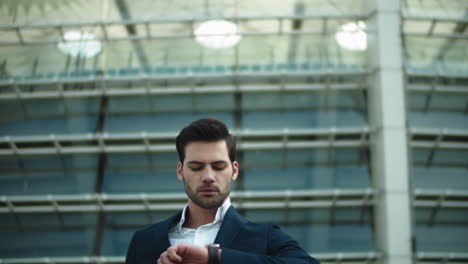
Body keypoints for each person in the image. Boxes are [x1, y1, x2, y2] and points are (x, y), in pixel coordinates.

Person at [125, 118, 320, 264]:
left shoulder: (264, 236)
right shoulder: (144, 242)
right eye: (196, 167)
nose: (208, 176)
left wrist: (216, 257)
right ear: (180, 171)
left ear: (234, 170)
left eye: (218, 167)